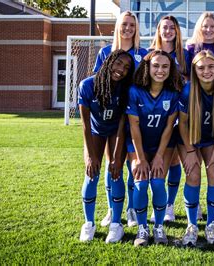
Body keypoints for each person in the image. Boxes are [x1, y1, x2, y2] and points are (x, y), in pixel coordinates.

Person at [92, 11, 148, 229]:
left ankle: (132, 209)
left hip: (134, 117)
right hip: (112, 118)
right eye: (124, 24)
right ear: (118, 26)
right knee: (111, 163)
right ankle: (111, 209)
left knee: (131, 164)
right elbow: (98, 84)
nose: (128, 28)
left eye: (132, 25)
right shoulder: (106, 52)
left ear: (136, 28)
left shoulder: (143, 53)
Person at [126, 50, 182, 247]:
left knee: (158, 183)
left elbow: (169, 127)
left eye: (165, 66)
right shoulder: (134, 91)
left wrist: (158, 156)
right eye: (156, 66)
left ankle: (158, 227)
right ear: (147, 67)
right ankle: (142, 228)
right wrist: (140, 158)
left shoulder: (173, 93)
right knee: (141, 183)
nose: (160, 70)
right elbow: (134, 126)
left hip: (163, 145)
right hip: (137, 144)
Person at [78, 50, 135, 243]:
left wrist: (117, 157)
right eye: (118, 64)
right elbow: (85, 125)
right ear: (109, 62)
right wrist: (90, 156)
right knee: (91, 173)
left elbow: (121, 125)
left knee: (116, 172)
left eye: (126, 68)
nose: (121, 70)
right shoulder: (87, 85)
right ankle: (88, 223)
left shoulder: (126, 89)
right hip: (95, 131)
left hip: (115, 132)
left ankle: (116, 224)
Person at [178, 50, 214, 246]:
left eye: (211, 66)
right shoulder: (188, 90)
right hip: (188, 138)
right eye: (201, 68)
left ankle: (211, 224)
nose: (206, 71)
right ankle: (191, 225)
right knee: (193, 174)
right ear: (194, 70)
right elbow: (182, 123)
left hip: (211, 137)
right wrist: (191, 152)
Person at [147, 15, 190, 223]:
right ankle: (158, 204)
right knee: (158, 162)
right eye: (165, 27)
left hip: (178, 111)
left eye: (172, 28)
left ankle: (169, 206)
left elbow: (190, 81)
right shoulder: (149, 53)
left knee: (172, 160)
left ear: (177, 31)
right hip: (155, 113)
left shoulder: (184, 54)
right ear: (159, 30)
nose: (168, 31)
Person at [186, 12, 214, 78]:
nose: (208, 29)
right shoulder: (191, 48)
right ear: (200, 28)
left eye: (212, 26)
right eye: (205, 26)